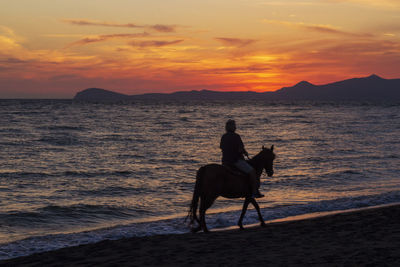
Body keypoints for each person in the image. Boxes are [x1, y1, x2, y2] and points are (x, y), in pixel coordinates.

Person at [220, 119, 264, 198]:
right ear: (232, 127)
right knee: (252, 171)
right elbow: (240, 149)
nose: (235, 127)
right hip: (236, 161)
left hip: (225, 162)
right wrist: (244, 153)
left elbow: (222, 148)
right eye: (234, 126)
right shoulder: (236, 136)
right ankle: (254, 192)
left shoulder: (224, 136)